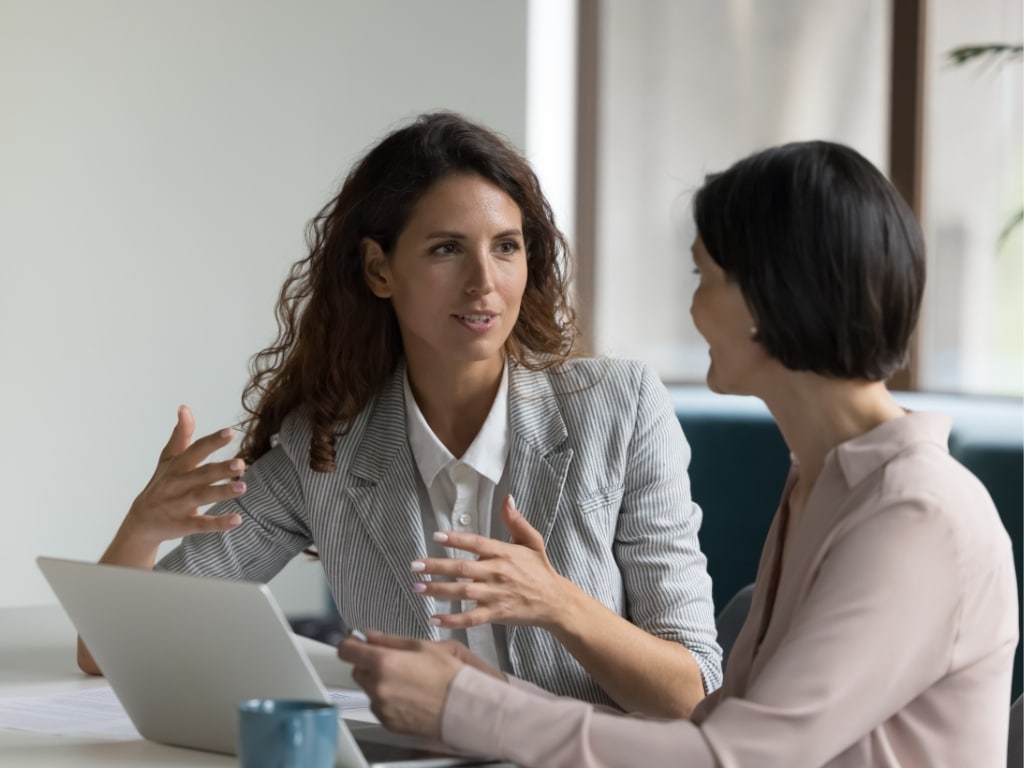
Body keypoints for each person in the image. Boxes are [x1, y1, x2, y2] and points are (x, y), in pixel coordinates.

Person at [337, 140, 1020, 767]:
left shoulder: (916, 515)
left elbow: (735, 758)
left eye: (703, 276)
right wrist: (484, 691)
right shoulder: (824, 484)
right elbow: (711, 730)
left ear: (766, 295)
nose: (692, 309)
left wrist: (471, 706)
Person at [76, 110, 722, 716]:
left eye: (506, 247)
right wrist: (142, 527)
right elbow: (107, 652)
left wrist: (561, 606)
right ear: (379, 269)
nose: (484, 282)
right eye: (446, 249)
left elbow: (694, 692)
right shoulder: (323, 448)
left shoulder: (620, 407)